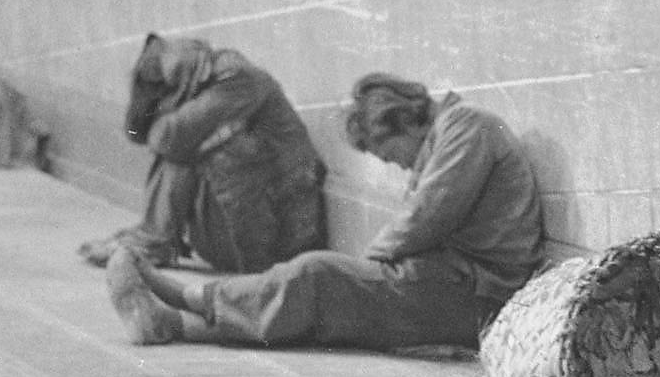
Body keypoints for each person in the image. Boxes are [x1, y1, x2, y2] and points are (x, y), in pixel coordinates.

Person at [107, 72, 544, 350]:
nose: (397, 164)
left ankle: (186, 298)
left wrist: (367, 265)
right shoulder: (451, 133)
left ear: (402, 121)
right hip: (456, 285)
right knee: (324, 304)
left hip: (477, 294)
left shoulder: (467, 126)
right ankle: (175, 324)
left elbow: (429, 213)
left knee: (318, 276)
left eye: (387, 153)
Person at [75, 33, 327, 274]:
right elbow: (138, 133)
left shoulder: (237, 78)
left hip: (278, 237)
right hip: (246, 220)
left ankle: (154, 241)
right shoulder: (207, 79)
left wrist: (165, 112)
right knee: (188, 146)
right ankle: (153, 239)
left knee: (182, 151)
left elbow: (167, 137)